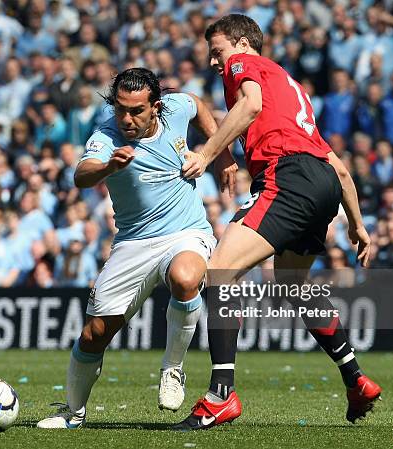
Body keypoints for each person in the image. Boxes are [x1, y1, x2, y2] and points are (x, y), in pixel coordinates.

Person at [175, 14, 381, 430]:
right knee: (293, 285)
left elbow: (248, 106)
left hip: (287, 178)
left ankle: (220, 395)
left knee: (220, 271)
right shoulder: (291, 90)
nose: (215, 62)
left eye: (218, 51)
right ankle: (356, 378)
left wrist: (207, 154)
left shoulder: (244, 66)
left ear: (243, 44)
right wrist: (358, 225)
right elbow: (338, 169)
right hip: (321, 182)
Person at [37, 68, 237, 429]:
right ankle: (74, 413)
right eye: (121, 109)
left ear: (156, 107)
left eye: (136, 111)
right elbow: (82, 175)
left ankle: (172, 370)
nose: (127, 119)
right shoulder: (106, 135)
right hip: (133, 241)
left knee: (186, 277)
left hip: (186, 231)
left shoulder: (176, 108)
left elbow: (198, 105)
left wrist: (217, 154)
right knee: (94, 334)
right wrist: (107, 167)